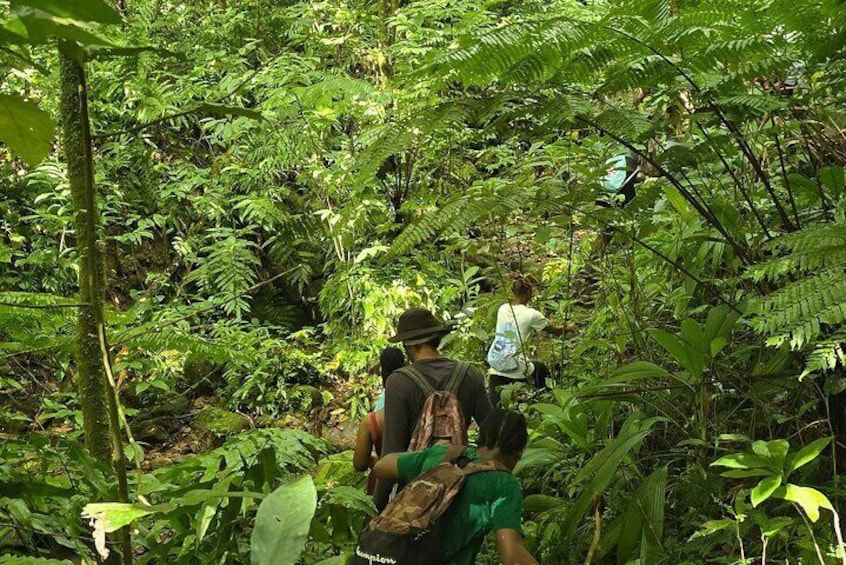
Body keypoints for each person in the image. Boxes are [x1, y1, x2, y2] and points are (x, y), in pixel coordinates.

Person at [372, 408, 538, 565]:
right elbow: (512, 556)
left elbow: (381, 467)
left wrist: (424, 458)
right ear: (518, 453)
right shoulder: (504, 484)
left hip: (393, 553)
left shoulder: (443, 455)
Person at [373, 307, 492, 510]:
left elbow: (391, 453)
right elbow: (492, 435)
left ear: (407, 346)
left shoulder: (398, 382)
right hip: (460, 490)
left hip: (414, 499)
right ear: (438, 339)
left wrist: (376, 508)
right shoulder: (470, 374)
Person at [487, 278, 575, 406]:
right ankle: (545, 400)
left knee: (495, 407)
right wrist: (570, 327)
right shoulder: (532, 315)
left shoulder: (503, 308)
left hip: (496, 363)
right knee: (541, 370)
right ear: (528, 294)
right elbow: (556, 331)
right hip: (516, 366)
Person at [353, 347, 405, 495]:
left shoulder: (372, 421)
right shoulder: (421, 407)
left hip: (382, 483)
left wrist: (375, 459)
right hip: (415, 481)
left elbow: (359, 463)